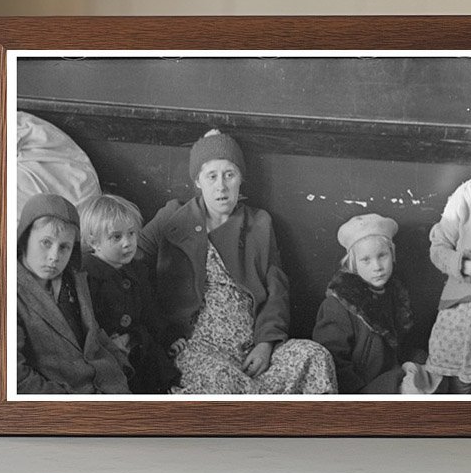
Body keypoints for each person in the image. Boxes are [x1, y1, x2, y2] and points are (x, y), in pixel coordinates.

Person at [138, 129, 336, 394]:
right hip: (197, 350)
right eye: (212, 176)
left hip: (251, 349)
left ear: (241, 179)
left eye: (229, 175)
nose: (221, 186)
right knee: (223, 381)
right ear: (198, 181)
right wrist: (161, 332)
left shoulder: (259, 223)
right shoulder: (174, 217)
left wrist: (266, 343)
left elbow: (277, 289)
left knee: (314, 356)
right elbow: (131, 259)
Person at [312, 213, 440, 394]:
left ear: (392, 255)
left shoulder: (394, 293)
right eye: (366, 260)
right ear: (353, 263)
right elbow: (331, 364)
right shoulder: (338, 304)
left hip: (393, 375)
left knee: (439, 374)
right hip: (362, 387)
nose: (377, 266)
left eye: (382, 256)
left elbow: (400, 347)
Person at [16, 192, 130, 394]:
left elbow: (92, 332)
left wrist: (120, 364)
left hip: (110, 386)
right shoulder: (7, 294)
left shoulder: (74, 279)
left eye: (64, 247)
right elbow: (17, 379)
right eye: (46, 243)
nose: (54, 257)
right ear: (24, 239)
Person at [80, 193, 181, 394]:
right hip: (107, 350)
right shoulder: (86, 276)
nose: (127, 243)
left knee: (162, 375)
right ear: (94, 242)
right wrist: (107, 344)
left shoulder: (137, 270)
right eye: (116, 237)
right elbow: (86, 322)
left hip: (139, 344)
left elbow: (151, 311)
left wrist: (169, 337)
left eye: (132, 233)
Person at [427, 123, 471, 394]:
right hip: (462, 310)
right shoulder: (467, 195)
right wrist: (469, 266)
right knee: (462, 386)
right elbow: (438, 248)